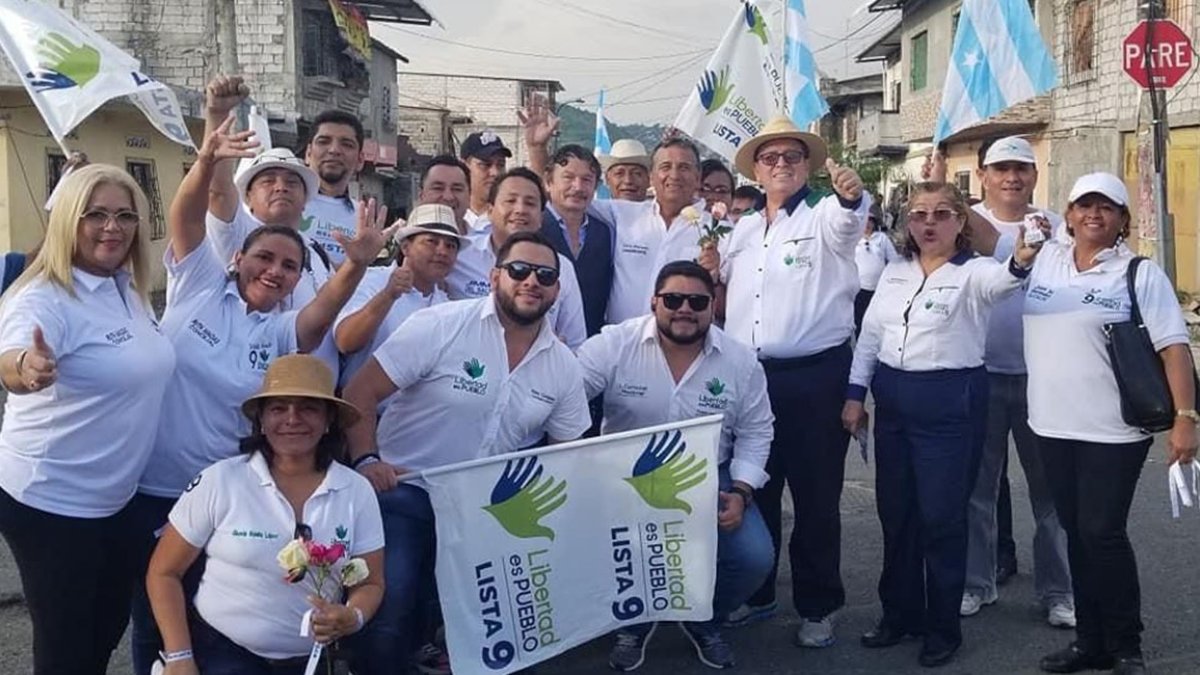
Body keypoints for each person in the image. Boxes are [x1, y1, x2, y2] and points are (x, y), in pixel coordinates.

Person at [129, 117, 395, 674]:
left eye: (289, 266)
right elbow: (184, 217)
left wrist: (356, 263)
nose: (274, 270)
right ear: (237, 260)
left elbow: (322, 320)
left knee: (212, 612)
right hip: (158, 483)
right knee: (154, 616)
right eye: (264, 258)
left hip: (232, 487)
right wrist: (206, 161)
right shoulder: (199, 286)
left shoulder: (281, 328)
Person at [341, 230, 592, 674]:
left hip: (487, 513)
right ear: (495, 276)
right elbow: (359, 393)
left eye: (545, 274)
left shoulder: (565, 367)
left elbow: (566, 455)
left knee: (492, 632)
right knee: (387, 611)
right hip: (406, 493)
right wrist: (366, 460)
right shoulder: (440, 324)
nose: (531, 280)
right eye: (519, 270)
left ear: (558, 288)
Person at [842, 181, 1046, 668]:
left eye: (940, 214)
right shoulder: (894, 272)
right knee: (898, 514)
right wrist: (855, 396)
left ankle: (943, 626)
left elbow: (1006, 282)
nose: (928, 223)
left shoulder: (975, 272)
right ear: (907, 223)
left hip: (949, 404)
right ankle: (901, 614)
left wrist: (1021, 257)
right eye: (918, 215)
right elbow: (869, 338)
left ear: (961, 222)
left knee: (940, 518)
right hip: (893, 405)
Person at [0, 164, 176, 674]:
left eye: (125, 215)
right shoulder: (43, 297)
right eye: (94, 214)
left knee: (103, 635)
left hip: (115, 500)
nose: (112, 227)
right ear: (67, 222)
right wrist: (25, 369)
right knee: (66, 652)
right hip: (51, 501)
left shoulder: (129, 289)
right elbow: (11, 356)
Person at [1024, 174, 1195, 675]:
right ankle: (1089, 641)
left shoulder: (1138, 274)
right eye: (1084, 206)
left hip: (1113, 430)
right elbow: (989, 222)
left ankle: (1125, 644)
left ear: (1122, 219)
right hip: (1051, 424)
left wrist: (1186, 419)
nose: (1094, 215)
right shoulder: (1048, 259)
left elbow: (1174, 349)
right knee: (1076, 533)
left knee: (1102, 532)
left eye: (1107, 207)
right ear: (1069, 214)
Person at [577, 261, 774, 671]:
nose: (684, 308)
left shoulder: (740, 361)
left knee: (754, 557)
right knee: (622, 550)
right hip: (623, 478)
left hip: (707, 475)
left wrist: (741, 491)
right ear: (654, 302)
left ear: (712, 305)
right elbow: (565, 392)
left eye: (697, 301)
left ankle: (703, 618)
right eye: (672, 299)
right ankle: (632, 621)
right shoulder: (615, 344)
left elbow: (757, 431)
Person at [717, 115, 869, 647]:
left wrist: (851, 197)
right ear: (756, 169)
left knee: (816, 499)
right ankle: (758, 594)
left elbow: (849, 224)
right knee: (755, 488)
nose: (780, 164)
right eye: (770, 157)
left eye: (791, 156)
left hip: (814, 379)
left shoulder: (827, 214)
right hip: (750, 381)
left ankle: (818, 604)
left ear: (808, 165)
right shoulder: (742, 228)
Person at [146, 354, 385, 675]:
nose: (292, 418)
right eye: (278, 408)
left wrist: (351, 617)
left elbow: (370, 583)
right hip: (221, 652)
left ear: (329, 420)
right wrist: (179, 657)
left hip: (315, 659)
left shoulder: (356, 490)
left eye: (308, 408)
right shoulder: (221, 479)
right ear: (260, 419)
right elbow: (163, 572)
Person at [961, 136, 1075, 627]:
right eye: (1001, 168)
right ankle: (976, 584)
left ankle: (1059, 592)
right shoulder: (960, 226)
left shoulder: (1057, 228)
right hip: (979, 375)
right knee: (977, 492)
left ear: (1034, 174)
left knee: (1051, 494)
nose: (1012, 177)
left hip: (1041, 378)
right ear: (984, 174)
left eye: (1022, 169)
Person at [197, 75, 340, 374]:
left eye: (292, 182)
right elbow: (218, 192)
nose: (280, 187)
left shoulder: (315, 253)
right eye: (268, 181)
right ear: (248, 195)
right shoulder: (239, 233)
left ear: (305, 199)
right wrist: (218, 115)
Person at [446, 167, 588, 350]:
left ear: (541, 217)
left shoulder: (561, 268)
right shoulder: (459, 256)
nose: (520, 210)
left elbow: (575, 343)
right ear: (490, 210)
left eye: (530, 203)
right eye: (510, 201)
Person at [334, 203, 467, 387]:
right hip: (362, 411)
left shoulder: (448, 307)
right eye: (432, 241)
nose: (442, 251)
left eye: (451, 245)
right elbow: (346, 342)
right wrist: (388, 296)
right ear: (405, 247)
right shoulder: (372, 280)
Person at [539, 144, 615, 337]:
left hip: (592, 344)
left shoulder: (604, 232)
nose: (578, 187)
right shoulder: (534, 227)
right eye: (568, 178)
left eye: (587, 180)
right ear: (549, 182)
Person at [301, 110, 366, 267]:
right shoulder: (285, 205)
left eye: (346, 144)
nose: (334, 150)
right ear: (308, 153)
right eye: (324, 141)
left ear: (360, 160)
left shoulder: (364, 219)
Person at [853, 204, 899, 338]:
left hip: (879, 288)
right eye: (864, 221)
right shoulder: (853, 239)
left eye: (870, 221)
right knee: (860, 319)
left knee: (879, 320)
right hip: (859, 288)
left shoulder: (882, 238)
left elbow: (894, 260)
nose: (867, 224)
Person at [460, 130, 511, 233]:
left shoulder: (511, 219)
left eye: (500, 165)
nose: (495, 173)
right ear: (465, 166)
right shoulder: (453, 216)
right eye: (485, 165)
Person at [417, 155, 472, 235]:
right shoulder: (404, 243)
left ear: (469, 196)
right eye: (438, 188)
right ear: (421, 196)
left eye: (457, 189)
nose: (448, 197)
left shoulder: (488, 244)